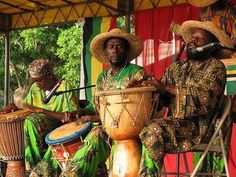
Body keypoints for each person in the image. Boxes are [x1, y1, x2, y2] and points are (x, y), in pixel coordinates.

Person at [29, 28, 147, 177]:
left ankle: (72, 174)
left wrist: (93, 119)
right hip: (99, 125)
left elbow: (137, 111)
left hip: (122, 129)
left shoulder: (136, 73)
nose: (115, 50)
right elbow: (95, 106)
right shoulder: (103, 77)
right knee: (60, 142)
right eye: (111, 47)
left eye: (119, 46)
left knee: (95, 135)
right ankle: (40, 174)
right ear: (105, 51)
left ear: (126, 49)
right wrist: (81, 112)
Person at [137, 20, 232, 176]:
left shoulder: (215, 67)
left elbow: (204, 98)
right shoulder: (177, 67)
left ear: (211, 46)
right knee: (143, 129)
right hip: (178, 126)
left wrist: (165, 87)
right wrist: (153, 91)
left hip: (202, 128)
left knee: (154, 129)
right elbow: (165, 98)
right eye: (191, 37)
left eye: (198, 39)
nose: (192, 40)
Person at [22, 59, 78, 174]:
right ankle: (33, 169)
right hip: (37, 130)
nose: (37, 84)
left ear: (49, 75)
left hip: (60, 128)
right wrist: (14, 106)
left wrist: (42, 111)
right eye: (35, 81)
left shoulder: (64, 86)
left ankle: (35, 171)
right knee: (29, 121)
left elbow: (71, 116)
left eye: (40, 80)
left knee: (31, 120)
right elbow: (26, 107)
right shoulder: (35, 88)